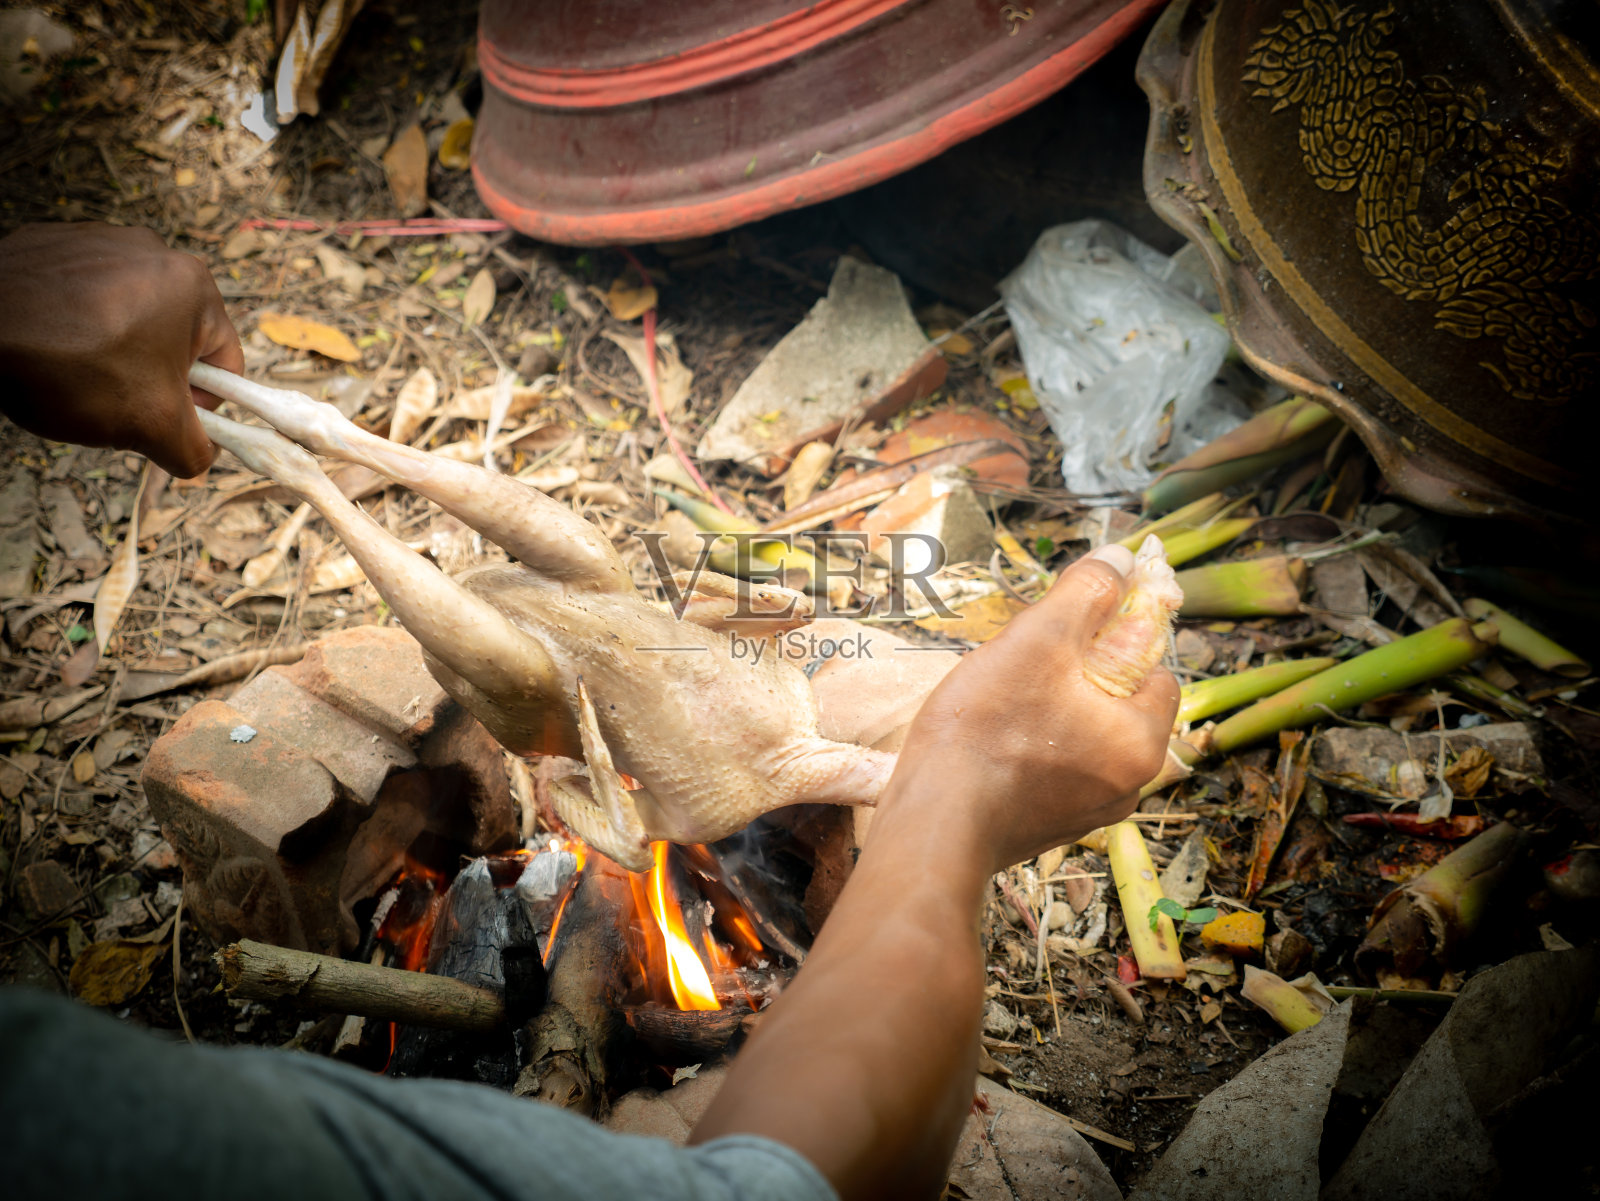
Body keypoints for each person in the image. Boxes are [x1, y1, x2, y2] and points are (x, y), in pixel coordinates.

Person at [0, 223, 1178, 1201]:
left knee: (419, 518)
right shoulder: (756, 761)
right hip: (608, 646)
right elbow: (785, 1172)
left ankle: (314, 465)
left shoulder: (739, 771)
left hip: (577, 655)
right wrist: (961, 789)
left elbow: (752, 656)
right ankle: (318, 465)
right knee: (425, 505)